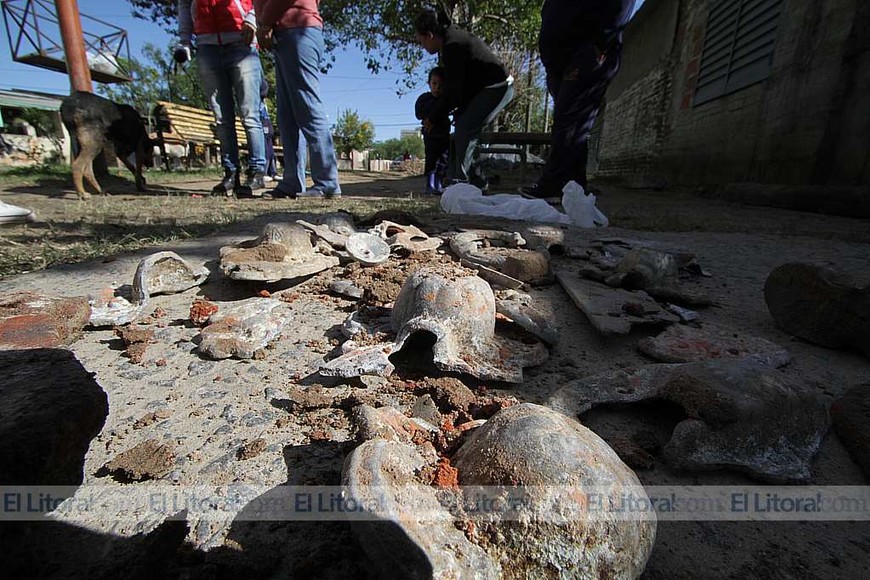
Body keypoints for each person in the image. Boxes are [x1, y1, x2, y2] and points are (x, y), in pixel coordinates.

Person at [519, 0, 636, 200]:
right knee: (570, 124)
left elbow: (620, 6)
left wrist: (599, 45)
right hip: (560, 65)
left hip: (586, 55)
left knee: (569, 121)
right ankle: (574, 186)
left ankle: (554, 183)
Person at [414, 8, 514, 191]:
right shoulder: (451, 40)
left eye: (421, 42)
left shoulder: (453, 45)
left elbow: (452, 92)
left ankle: (475, 186)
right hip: (481, 90)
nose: (422, 46)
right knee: (462, 126)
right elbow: (459, 91)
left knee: (465, 130)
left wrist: (433, 118)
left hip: (497, 87)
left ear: (429, 35)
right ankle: (468, 181)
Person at [175, 0, 266, 198]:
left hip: (242, 41)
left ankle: (257, 171)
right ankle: (230, 173)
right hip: (206, 45)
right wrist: (184, 40)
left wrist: (252, 18)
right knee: (222, 119)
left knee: (250, 114)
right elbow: (184, 5)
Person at [254, 0, 341, 199]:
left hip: (297, 30)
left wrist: (266, 22)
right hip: (285, 33)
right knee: (287, 114)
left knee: (308, 107)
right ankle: (292, 180)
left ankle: (327, 182)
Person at [415, 66, 450, 194]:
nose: (437, 87)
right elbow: (419, 113)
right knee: (431, 160)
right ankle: (430, 185)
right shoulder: (424, 99)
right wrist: (428, 118)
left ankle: (438, 184)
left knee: (443, 160)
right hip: (431, 136)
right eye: (434, 83)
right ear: (429, 83)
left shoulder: (446, 100)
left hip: (443, 136)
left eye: (440, 85)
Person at [259, 78, 279, 182]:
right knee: (266, 151)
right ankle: (264, 172)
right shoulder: (257, 102)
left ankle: (273, 172)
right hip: (262, 127)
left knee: (271, 152)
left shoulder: (264, 103)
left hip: (268, 127)